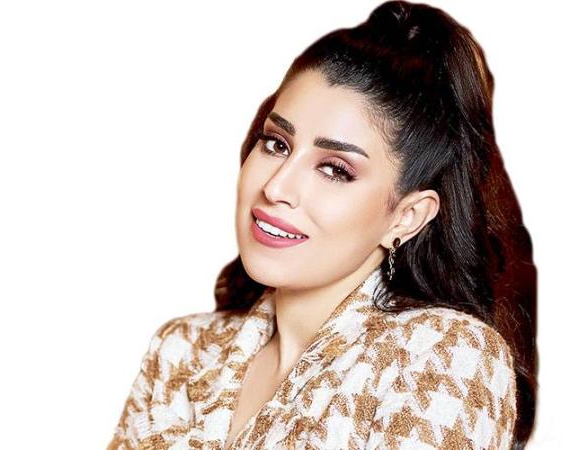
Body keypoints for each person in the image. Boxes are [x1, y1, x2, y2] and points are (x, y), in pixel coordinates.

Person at [107, 1, 537, 449]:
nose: (276, 187)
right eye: (276, 144)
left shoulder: (442, 355)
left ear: (407, 216)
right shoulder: (181, 351)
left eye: (335, 170)